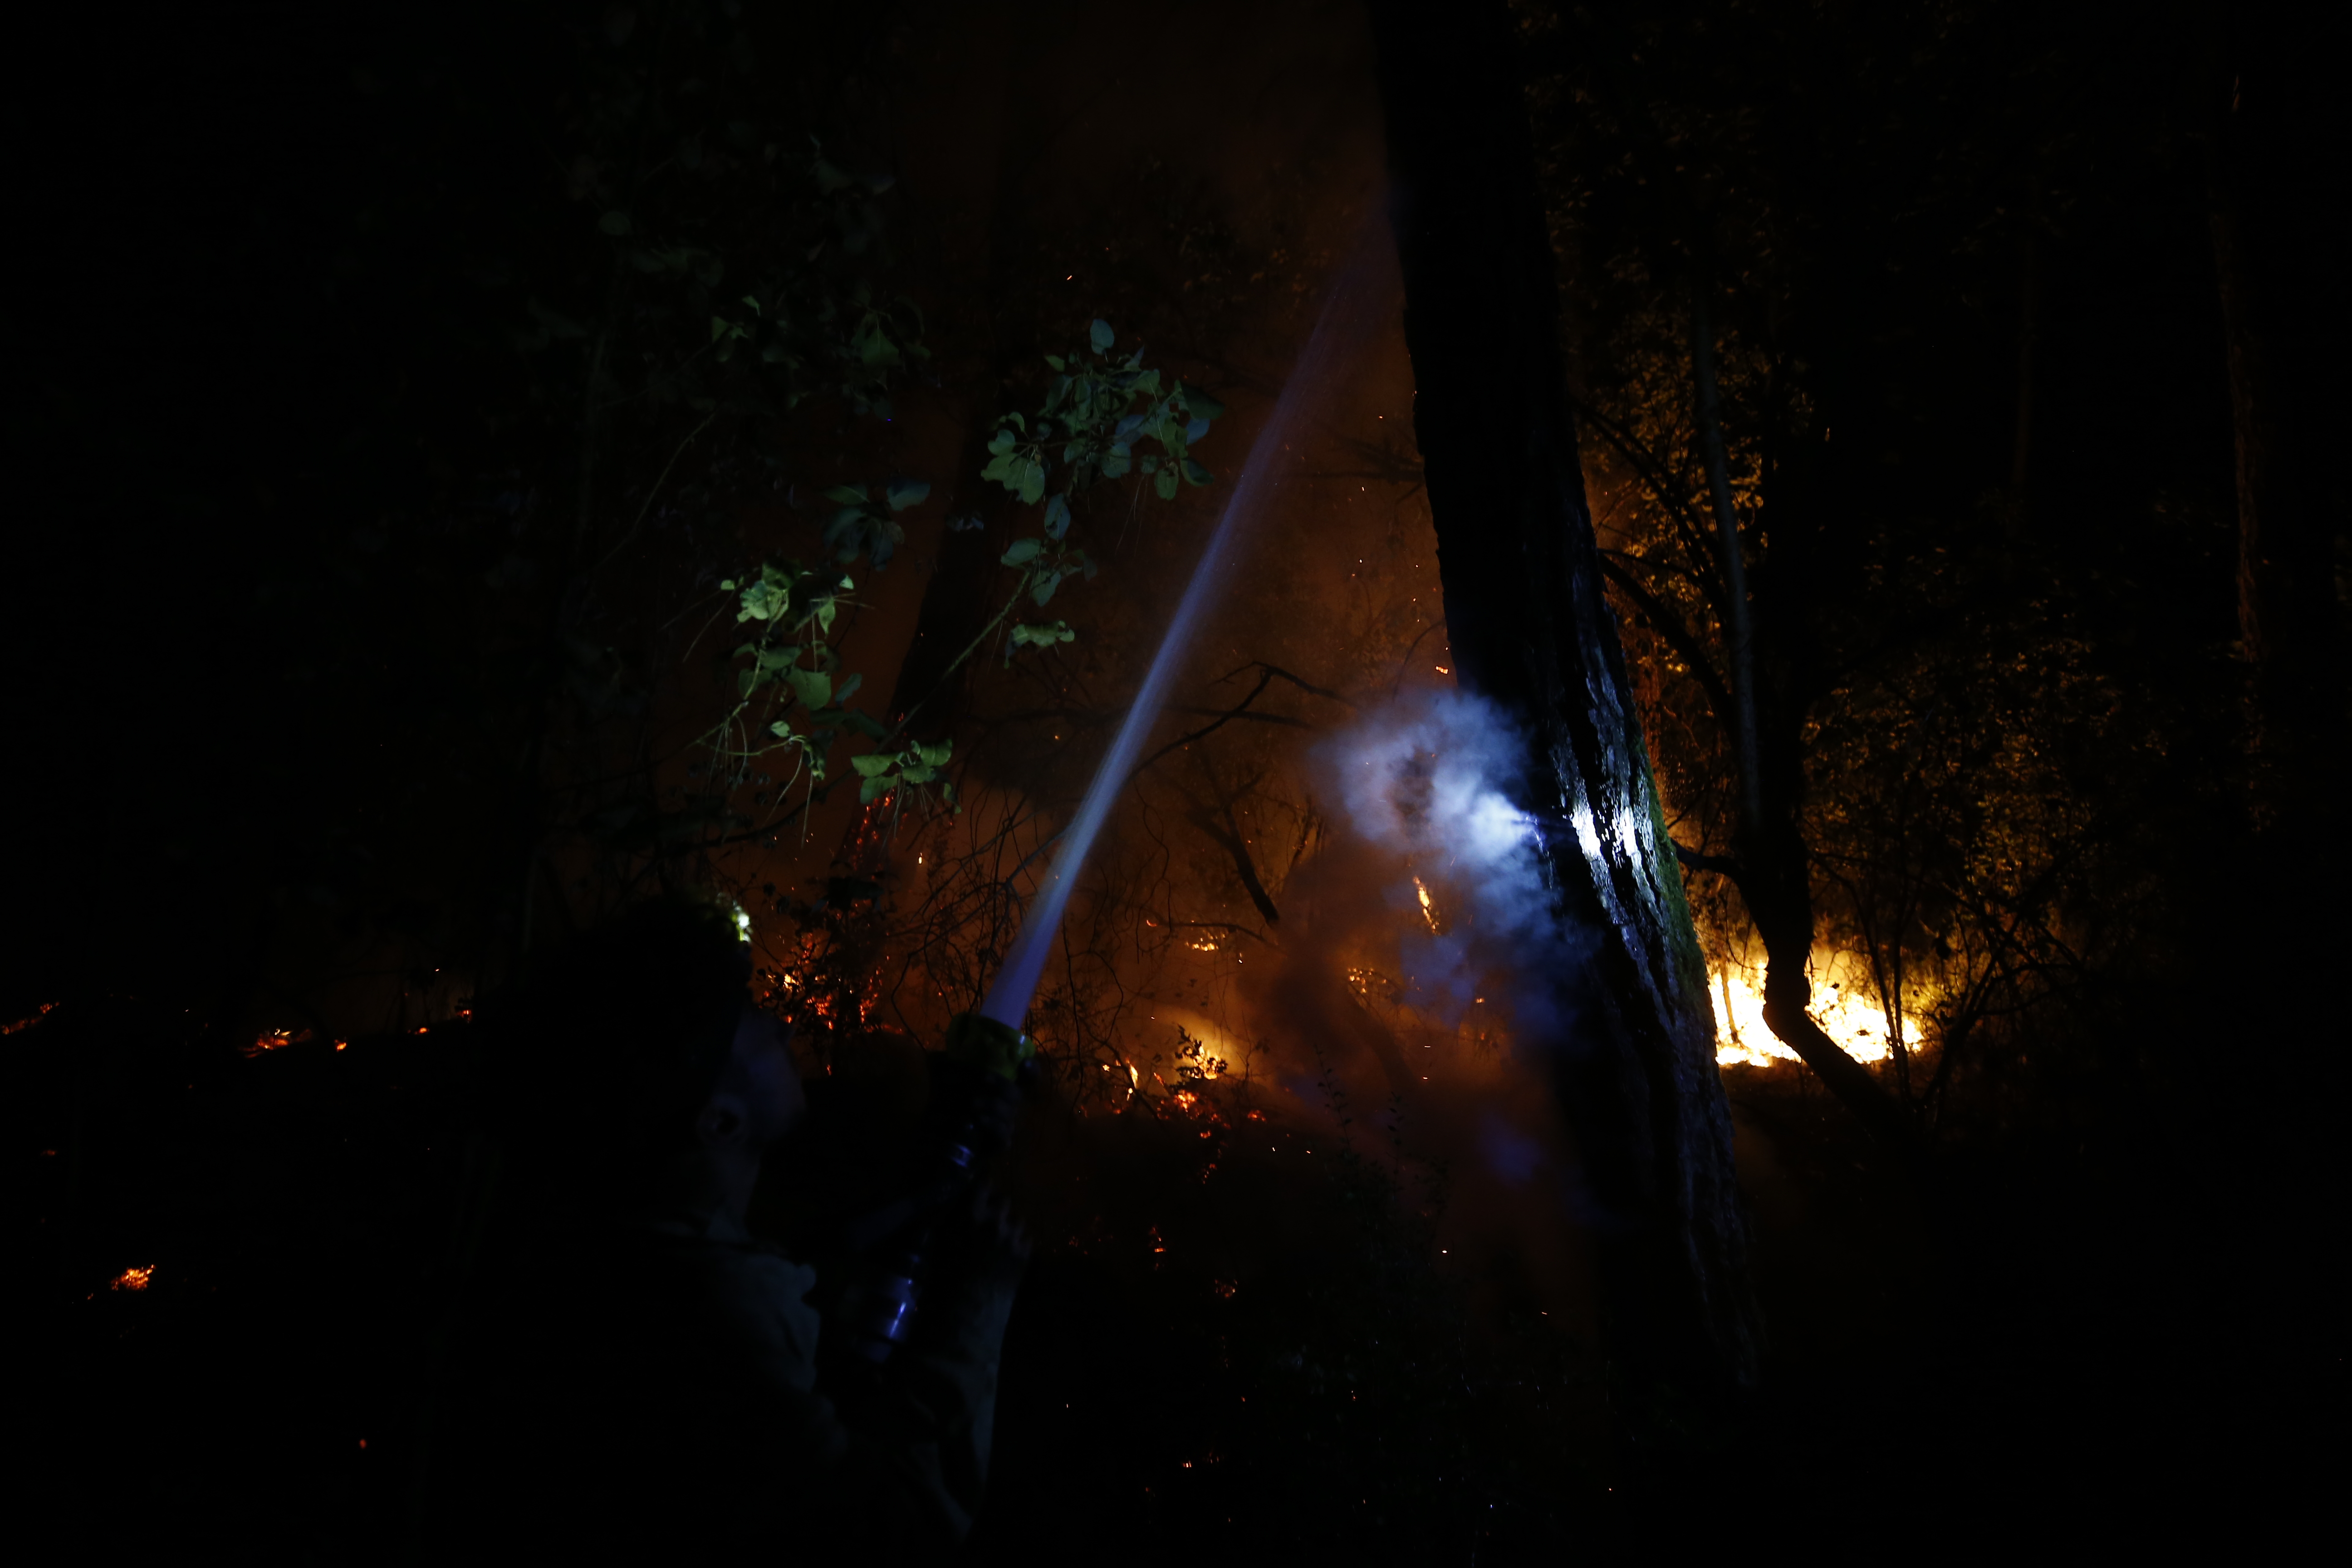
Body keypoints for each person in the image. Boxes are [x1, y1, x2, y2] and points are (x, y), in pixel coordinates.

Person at [430, 899, 1026, 1558]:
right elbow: (894, 1526)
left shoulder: (638, 1253)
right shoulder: (712, 1315)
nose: (776, 1023)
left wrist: (943, 1156)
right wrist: (980, 1305)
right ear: (718, 1122)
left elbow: (818, 1272)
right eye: (748, 1021)